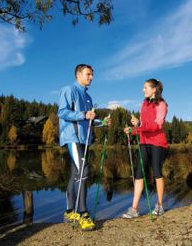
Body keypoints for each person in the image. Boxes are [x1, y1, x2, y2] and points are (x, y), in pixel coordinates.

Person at [58, 64, 111, 230]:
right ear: (79, 74)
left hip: (84, 139)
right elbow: (62, 112)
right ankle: (83, 213)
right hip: (72, 137)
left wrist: (101, 122)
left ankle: (68, 211)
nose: (91, 77)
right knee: (84, 170)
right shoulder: (69, 90)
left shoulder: (87, 97)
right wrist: (83, 114)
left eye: (92, 74)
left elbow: (88, 119)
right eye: (88, 74)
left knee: (76, 173)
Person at [122, 78, 168, 219]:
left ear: (154, 89)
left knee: (157, 172)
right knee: (138, 174)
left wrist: (140, 123)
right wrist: (133, 130)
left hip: (157, 143)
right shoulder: (144, 104)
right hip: (143, 142)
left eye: (146, 87)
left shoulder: (162, 104)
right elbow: (142, 127)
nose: (143, 90)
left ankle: (159, 205)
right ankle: (134, 209)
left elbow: (157, 125)